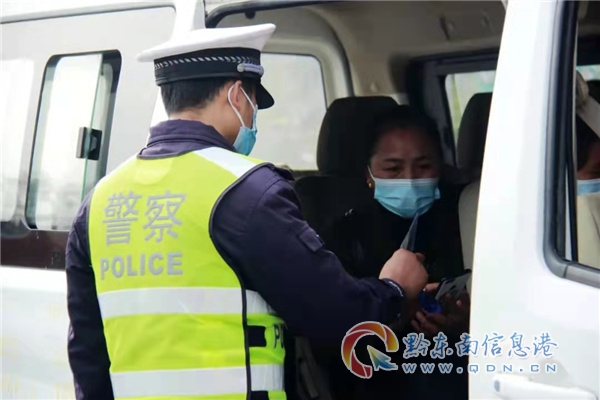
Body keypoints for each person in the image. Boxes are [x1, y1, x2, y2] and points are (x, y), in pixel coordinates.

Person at [65, 23, 430, 400]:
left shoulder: (99, 200)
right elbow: (332, 313)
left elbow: (88, 357)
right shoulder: (247, 190)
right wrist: (395, 289)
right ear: (237, 95)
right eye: (255, 102)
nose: (254, 116)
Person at [314, 106, 470, 400]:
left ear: (440, 167)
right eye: (393, 169)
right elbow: (335, 338)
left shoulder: (469, 218)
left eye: (423, 166)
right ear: (369, 173)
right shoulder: (343, 235)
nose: (409, 179)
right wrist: (396, 307)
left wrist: (467, 321)